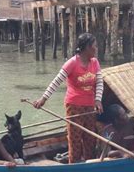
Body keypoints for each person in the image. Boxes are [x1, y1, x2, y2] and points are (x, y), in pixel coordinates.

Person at [33, 33, 104, 163]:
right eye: (94, 46)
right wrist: (43, 99)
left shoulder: (95, 62)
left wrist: (98, 100)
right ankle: (73, 165)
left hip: (89, 107)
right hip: (74, 107)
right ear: (87, 48)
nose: (96, 49)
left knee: (90, 138)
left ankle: (90, 164)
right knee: (75, 139)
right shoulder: (72, 63)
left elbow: (99, 82)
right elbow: (56, 82)